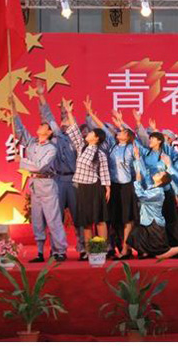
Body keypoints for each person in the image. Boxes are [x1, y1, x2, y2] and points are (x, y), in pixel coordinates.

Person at [9, 95, 68, 262]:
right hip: (34, 185)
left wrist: (22, 161)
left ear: (49, 132)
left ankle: (59, 251)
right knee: (37, 220)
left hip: (47, 183)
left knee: (53, 219)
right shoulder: (32, 144)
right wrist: (13, 109)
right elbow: (20, 131)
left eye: (44, 126)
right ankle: (40, 252)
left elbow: (40, 166)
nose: (40, 126)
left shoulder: (51, 148)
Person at [37, 81, 86, 260]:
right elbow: (48, 116)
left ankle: (83, 248)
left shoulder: (77, 139)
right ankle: (58, 250)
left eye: (67, 120)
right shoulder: (56, 137)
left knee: (79, 217)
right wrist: (41, 96)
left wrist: (69, 113)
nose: (64, 123)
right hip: (57, 180)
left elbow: (73, 125)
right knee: (54, 216)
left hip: (74, 181)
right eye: (62, 120)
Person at [85, 99, 138, 259]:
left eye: (121, 132)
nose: (117, 132)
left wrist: (122, 123)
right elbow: (102, 127)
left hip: (127, 186)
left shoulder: (132, 148)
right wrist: (91, 113)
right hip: (113, 186)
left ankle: (126, 249)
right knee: (114, 219)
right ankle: (114, 247)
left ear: (127, 136)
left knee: (127, 219)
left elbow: (133, 138)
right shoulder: (113, 144)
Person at [62, 101, 111, 252]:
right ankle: (91, 251)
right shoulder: (81, 147)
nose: (87, 134)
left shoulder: (100, 153)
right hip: (82, 188)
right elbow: (74, 130)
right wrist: (69, 112)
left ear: (96, 138)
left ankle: (102, 249)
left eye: (90, 133)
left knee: (100, 220)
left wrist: (108, 188)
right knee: (86, 222)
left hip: (95, 188)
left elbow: (104, 172)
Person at [132, 110, 178, 246]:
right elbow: (135, 141)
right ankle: (153, 245)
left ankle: (176, 246)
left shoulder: (166, 154)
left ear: (159, 141)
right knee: (152, 220)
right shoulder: (146, 153)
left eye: (152, 139)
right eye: (150, 138)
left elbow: (170, 175)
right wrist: (136, 122)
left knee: (170, 218)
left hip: (166, 191)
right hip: (151, 190)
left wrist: (175, 194)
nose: (149, 140)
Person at [126, 147, 178, 259]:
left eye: (159, 174)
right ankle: (146, 252)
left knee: (161, 254)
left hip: (154, 225)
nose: (157, 173)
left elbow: (141, 196)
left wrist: (137, 182)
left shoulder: (158, 192)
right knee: (133, 238)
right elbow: (143, 173)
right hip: (146, 221)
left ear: (161, 180)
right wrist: (137, 158)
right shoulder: (152, 186)